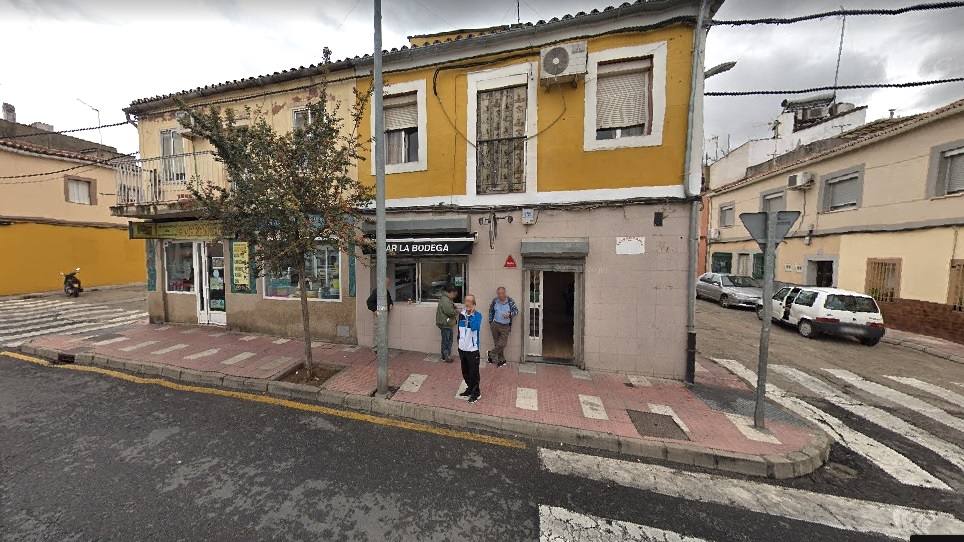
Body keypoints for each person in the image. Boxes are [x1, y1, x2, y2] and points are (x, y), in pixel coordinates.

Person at [457, 294, 483, 403]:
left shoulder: (477, 315)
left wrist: (471, 314)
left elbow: (475, 327)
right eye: (466, 301)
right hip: (462, 349)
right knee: (465, 372)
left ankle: (476, 393)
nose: (467, 303)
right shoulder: (461, 315)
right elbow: (459, 330)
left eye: (470, 301)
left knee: (474, 373)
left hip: (472, 350)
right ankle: (469, 388)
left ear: (474, 304)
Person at [487, 286, 518, 367]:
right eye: (499, 293)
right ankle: (502, 360)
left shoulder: (510, 301)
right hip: (495, 324)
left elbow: (516, 311)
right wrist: (491, 322)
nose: (500, 295)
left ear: (505, 293)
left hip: (505, 326)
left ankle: (491, 353)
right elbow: (491, 310)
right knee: (497, 343)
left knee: (502, 344)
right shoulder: (495, 301)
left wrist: (509, 314)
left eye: (502, 293)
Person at [435, 284, 458, 363]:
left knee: (448, 340)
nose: (454, 296)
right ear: (450, 292)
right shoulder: (445, 300)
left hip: (447, 323)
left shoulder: (447, 299)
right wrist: (457, 311)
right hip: (445, 323)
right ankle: (445, 356)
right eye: (454, 294)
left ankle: (446, 355)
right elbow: (450, 312)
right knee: (446, 340)